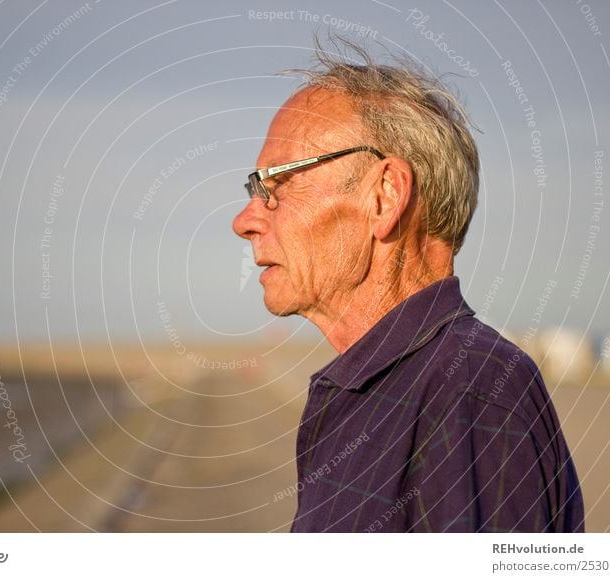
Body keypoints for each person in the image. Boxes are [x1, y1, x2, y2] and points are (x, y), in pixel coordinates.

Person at [231, 41, 584, 532]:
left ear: (385, 196)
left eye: (277, 185)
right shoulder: (375, 388)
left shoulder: (467, 392)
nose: (245, 220)